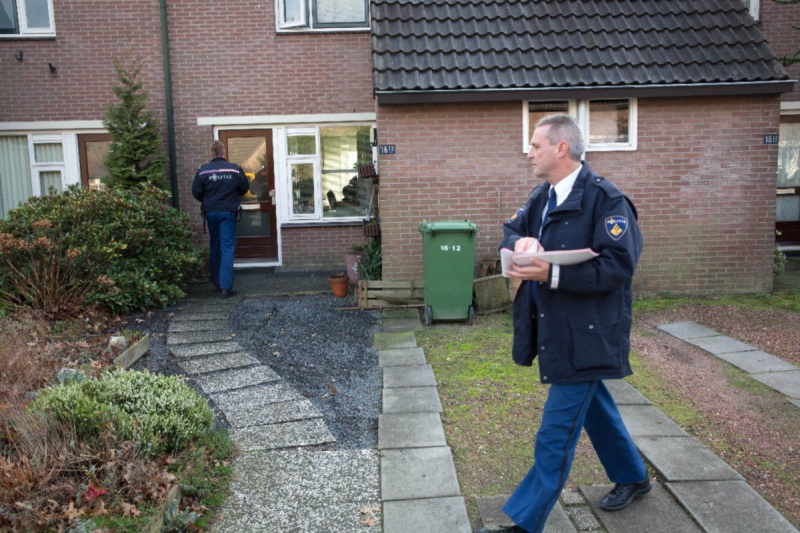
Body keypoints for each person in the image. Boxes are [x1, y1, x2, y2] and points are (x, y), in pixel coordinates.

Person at [480, 114, 649, 533]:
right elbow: (511, 230)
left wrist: (552, 275)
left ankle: (525, 522)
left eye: (535, 145)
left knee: (555, 433)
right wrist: (517, 243)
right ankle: (634, 476)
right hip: (555, 329)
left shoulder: (607, 201)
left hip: (588, 336)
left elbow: (618, 266)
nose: (529, 152)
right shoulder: (543, 196)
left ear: (561, 148)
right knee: (595, 408)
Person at [192, 140, 249, 298]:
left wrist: (209, 199)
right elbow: (244, 188)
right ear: (224, 152)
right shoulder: (235, 170)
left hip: (211, 213)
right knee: (227, 247)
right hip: (228, 213)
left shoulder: (203, 171)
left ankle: (216, 282)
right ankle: (226, 287)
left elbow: (196, 192)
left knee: (215, 245)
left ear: (211, 153)